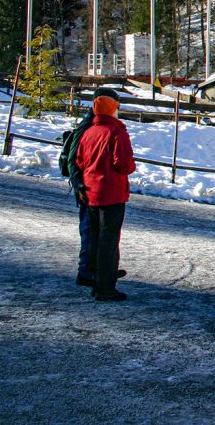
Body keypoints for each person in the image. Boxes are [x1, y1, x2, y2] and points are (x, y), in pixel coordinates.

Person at [59, 87, 126, 288]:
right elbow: (73, 159)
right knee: (91, 230)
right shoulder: (88, 126)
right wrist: (78, 184)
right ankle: (87, 271)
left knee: (96, 231)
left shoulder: (95, 124)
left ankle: (100, 269)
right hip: (88, 188)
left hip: (89, 186)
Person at [76, 89, 136, 302]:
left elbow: (80, 161)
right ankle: (106, 286)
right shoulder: (116, 132)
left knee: (95, 237)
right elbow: (123, 163)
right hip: (111, 191)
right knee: (109, 239)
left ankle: (94, 278)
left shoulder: (89, 131)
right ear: (113, 109)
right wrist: (131, 166)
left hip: (91, 191)